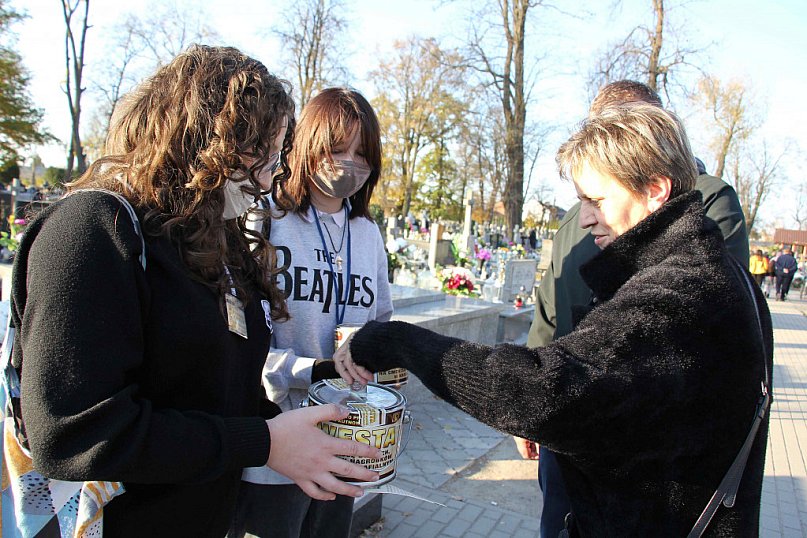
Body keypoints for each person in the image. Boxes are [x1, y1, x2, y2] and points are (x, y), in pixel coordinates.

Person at [336, 103, 773, 536]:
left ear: (655, 189)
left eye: (596, 200)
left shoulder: (679, 291)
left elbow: (541, 391)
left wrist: (395, 342)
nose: (584, 218)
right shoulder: (719, 271)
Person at [7, 46, 381, 538]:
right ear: (203, 142)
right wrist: (263, 441)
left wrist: (300, 438)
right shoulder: (93, 230)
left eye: (277, 155)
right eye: (260, 154)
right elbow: (71, 433)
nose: (271, 175)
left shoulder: (212, 238)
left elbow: (219, 391)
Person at [517, 79, 751, 538]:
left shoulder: (707, 200)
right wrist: (530, 407)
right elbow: (548, 307)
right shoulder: (579, 216)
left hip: (649, 447)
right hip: (570, 424)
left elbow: (711, 308)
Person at [232, 87, 392, 538]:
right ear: (307, 145)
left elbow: (381, 324)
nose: (349, 164)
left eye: (362, 153)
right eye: (338, 149)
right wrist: (312, 371)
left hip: (346, 438)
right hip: (275, 441)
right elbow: (241, 343)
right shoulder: (264, 220)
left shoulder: (367, 234)